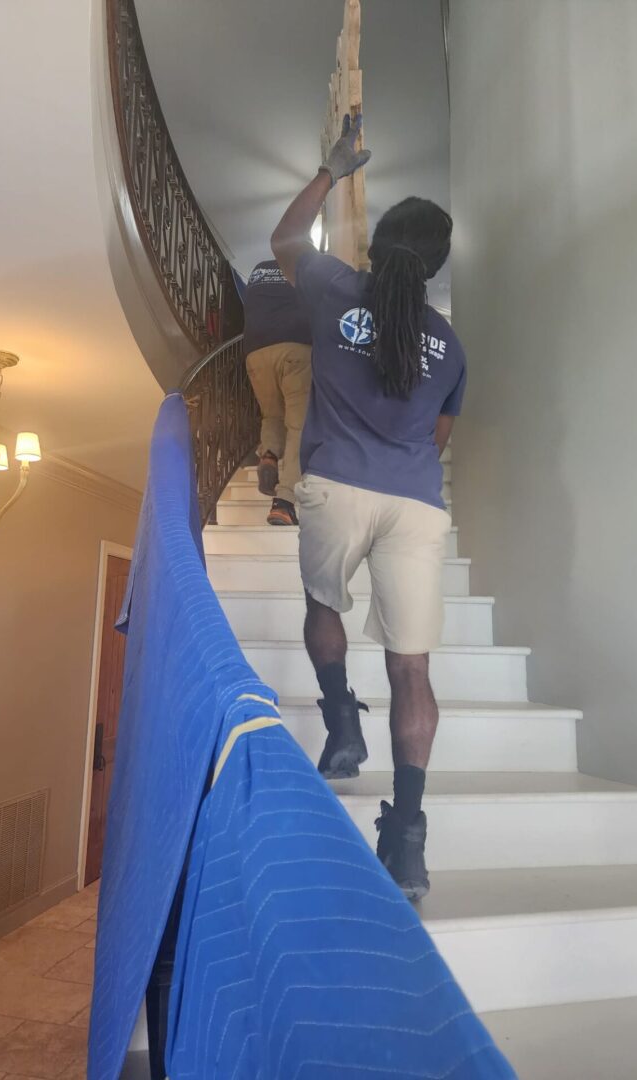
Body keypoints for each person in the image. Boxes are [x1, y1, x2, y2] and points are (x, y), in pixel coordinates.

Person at [270, 115, 465, 900]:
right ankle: (408, 838)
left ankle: (342, 718)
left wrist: (332, 170)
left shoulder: (335, 287)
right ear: (437, 267)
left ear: (380, 248)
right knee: (413, 668)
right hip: (416, 503)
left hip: (338, 485)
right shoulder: (448, 343)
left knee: (324, 601)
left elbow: (286, 240)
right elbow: (441, 434)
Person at [243, 258, 312, 525]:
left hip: (256, 352)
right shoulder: (303, 267)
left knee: (271, 414)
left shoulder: (259, 268)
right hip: (296, 348)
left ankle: (270, 454)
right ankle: (283, 502)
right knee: (298, 426)